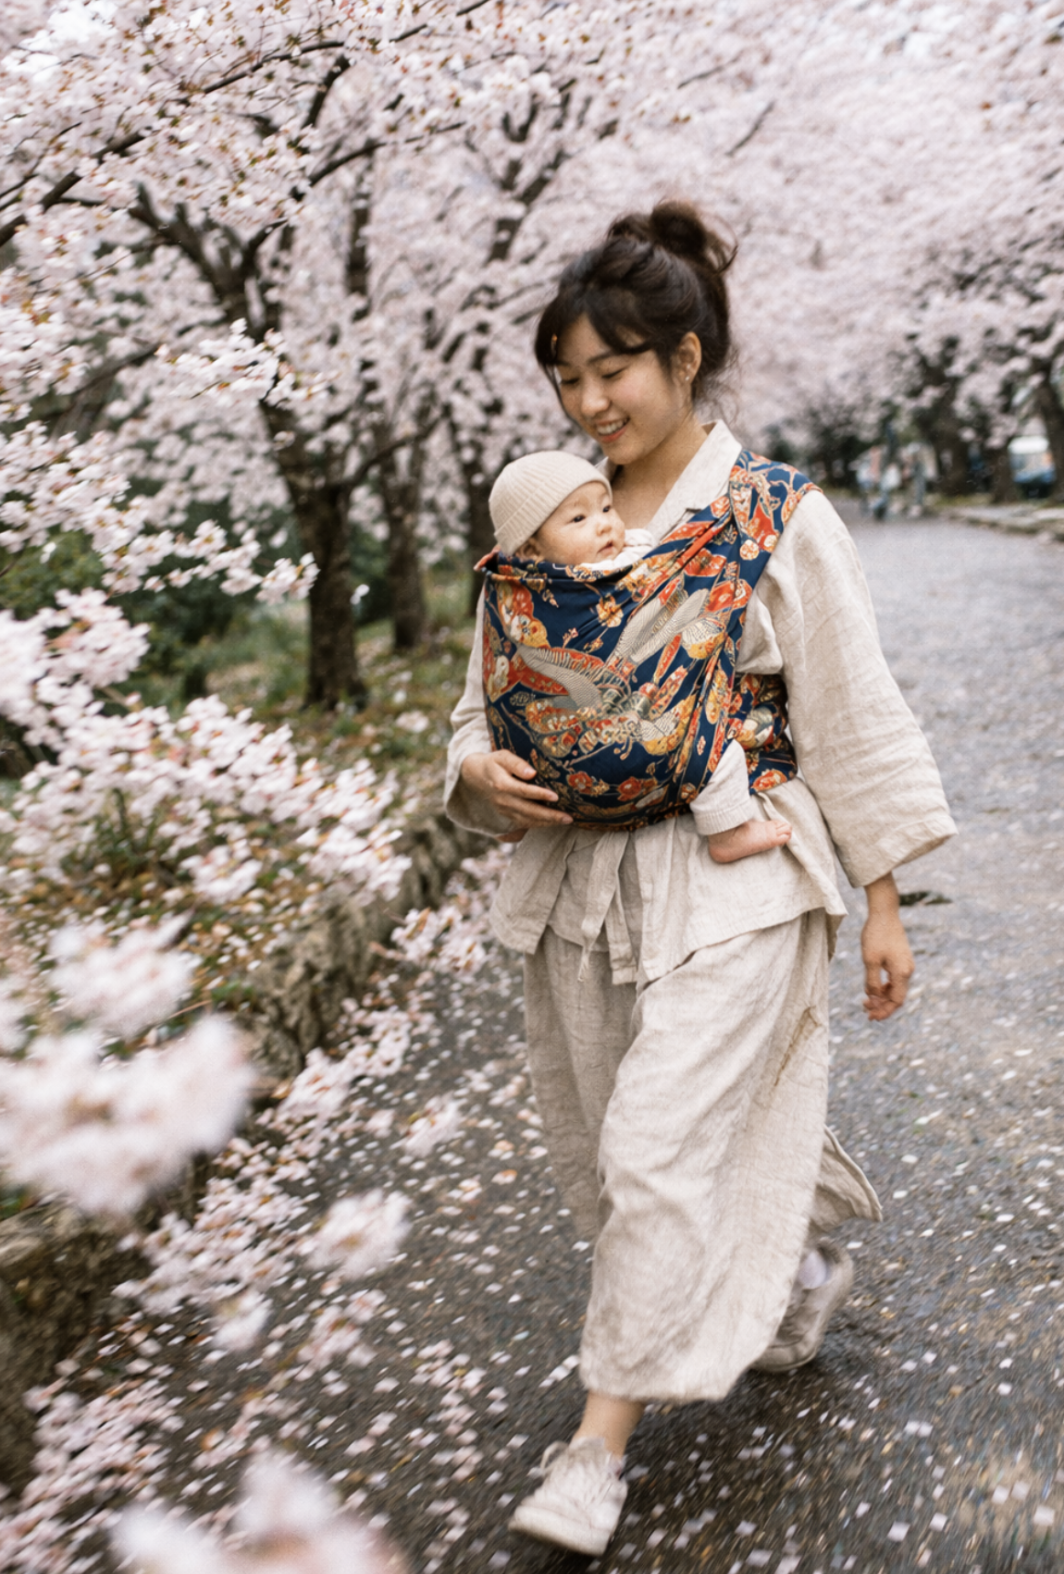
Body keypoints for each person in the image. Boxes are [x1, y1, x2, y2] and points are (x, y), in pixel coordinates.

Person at [445, 199, 955, 1559]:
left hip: (741, 870)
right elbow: (486, 691)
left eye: (610, 368)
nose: (586, 398)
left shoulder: (777, 514)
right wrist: (475, 772)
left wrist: (887, 894)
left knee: (655, 1142)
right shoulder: (549, 516)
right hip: (582, 883)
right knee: (615, 1150)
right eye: (566, 374)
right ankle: (785, 1267)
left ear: (684, 359)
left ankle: (593, 1452)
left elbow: (852, 707)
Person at [486, 447, 793, 866]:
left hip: (638, 707)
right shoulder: (519, 591)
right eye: (579, 519)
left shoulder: (629, 555)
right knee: (708, 737)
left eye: (607, 507)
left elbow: (654, 574)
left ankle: (725, 827)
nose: (605, 525)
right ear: (532, 551)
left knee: (710, 739)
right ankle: (727, 830)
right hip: (584, 711)